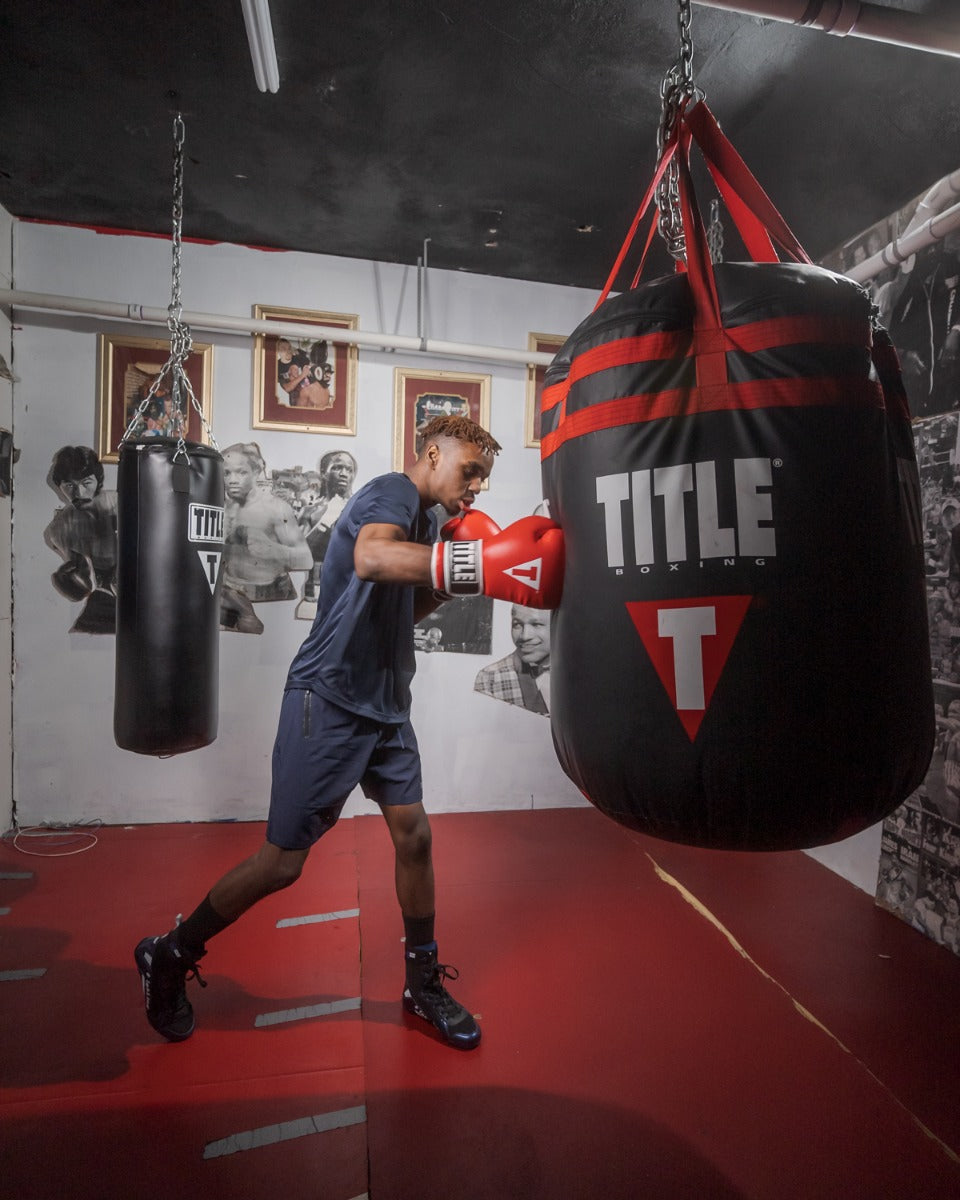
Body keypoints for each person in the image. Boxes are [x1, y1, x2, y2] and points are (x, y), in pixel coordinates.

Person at [134, 415, 563, 1050]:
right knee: (282, 865)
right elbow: (370, 557)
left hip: (386, 703)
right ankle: (170, 951)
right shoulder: (392, 491)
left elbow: (403, 609)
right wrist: (472, 559)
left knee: (415, 837)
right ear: (432, 454)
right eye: (470, 470)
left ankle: (421, 984)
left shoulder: (427, 526)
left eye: (484, 478)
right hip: (330, 698)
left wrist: (458, 581)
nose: (477, 486)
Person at [220, 442, 314, 608]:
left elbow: (306, 560)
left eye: (241, 472)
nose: (232, 480)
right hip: (229, 594)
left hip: (270, 596)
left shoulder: (276, 508)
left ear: (256, 472)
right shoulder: (222, 507)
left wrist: (273, 550)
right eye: (226, 473)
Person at [44, 445, 118, 634]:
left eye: (86, 482)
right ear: (59, 486)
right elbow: (83, 580)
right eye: (69, 485)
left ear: (98, 480)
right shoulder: (60, 528)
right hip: (108, 599)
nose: (79, 493)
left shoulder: (122, 504)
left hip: (147, 586)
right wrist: (71, 581)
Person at [297, 450, 358, 620]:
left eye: (349, 469)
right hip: (315, 593)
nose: (344, 473)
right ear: (324, 472)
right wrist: (326, 520)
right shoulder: (309, 511)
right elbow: (299, 555)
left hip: (351, 592)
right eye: (337, 467)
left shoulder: (361, 508)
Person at [474, 603, 551, 715]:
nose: (525, 636)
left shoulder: (577, 672)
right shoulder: (490, 677)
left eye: (536, 624)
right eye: (517, 624)